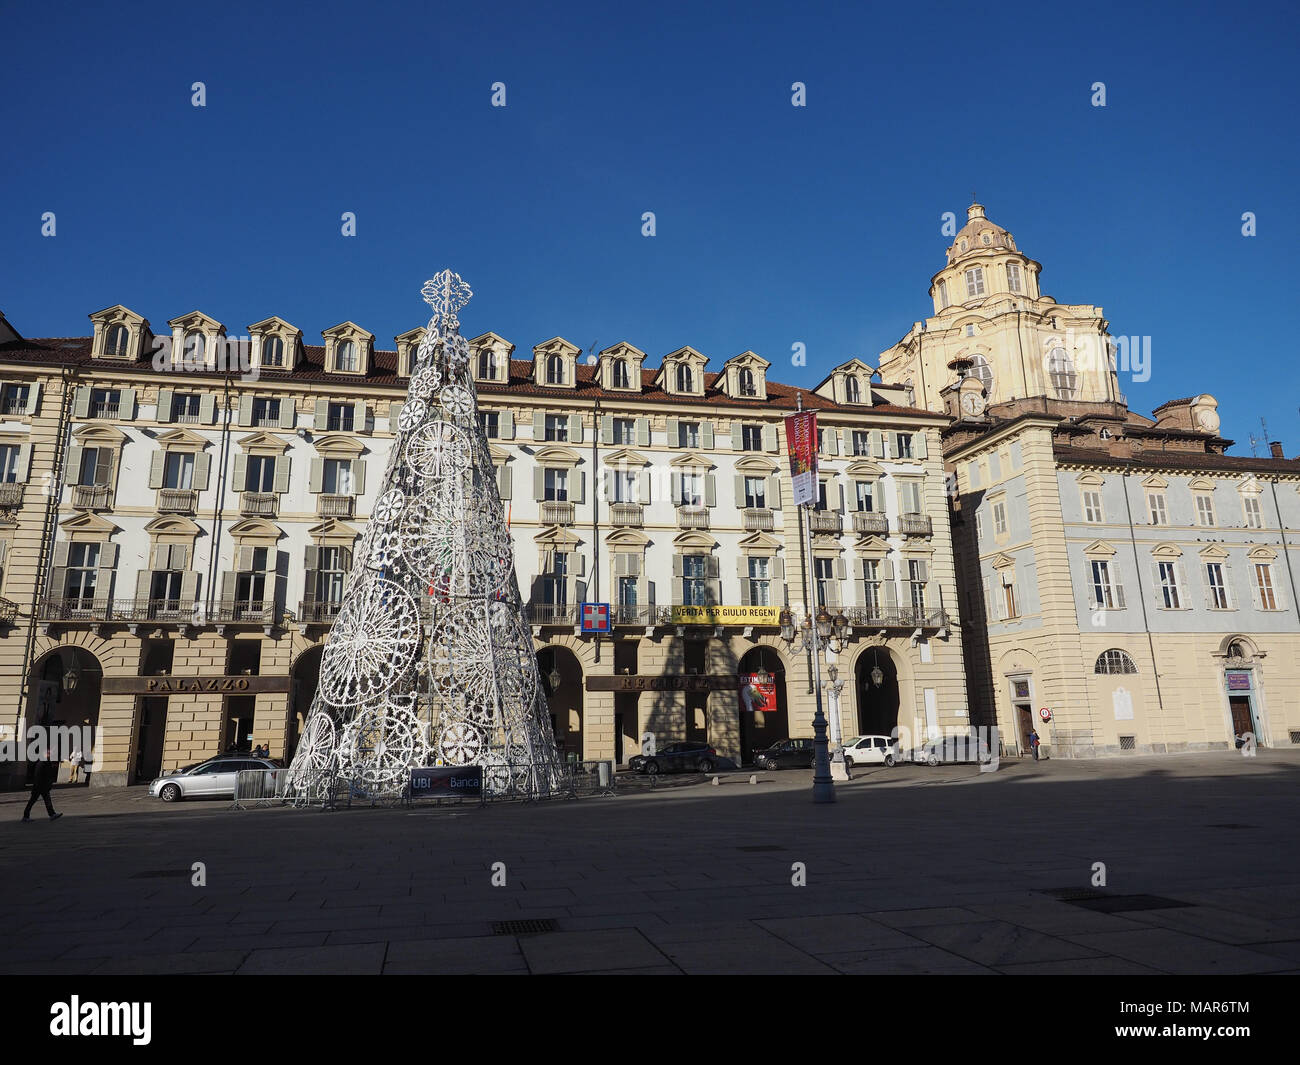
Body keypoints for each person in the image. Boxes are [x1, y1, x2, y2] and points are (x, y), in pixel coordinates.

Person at [23, 751, 63, 822]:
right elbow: (38, 775)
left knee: (43, 800)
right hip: (40, 786)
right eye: (48, 753)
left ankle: (52, 814)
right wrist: (43, 785)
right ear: (44, 755)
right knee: (33, 801)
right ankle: (26, 816)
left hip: (41, 786)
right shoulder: (42, 763)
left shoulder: (46, 762)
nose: (50, 754)